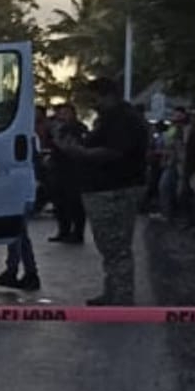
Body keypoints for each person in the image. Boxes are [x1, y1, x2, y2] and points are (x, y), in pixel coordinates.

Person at [54, 77, 148, 306]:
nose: (92, 104)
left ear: (107, 95)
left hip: (115, 190)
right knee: (110, 246)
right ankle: (114, 291)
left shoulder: (123, 119)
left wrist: (78, 152)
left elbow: (114, 153)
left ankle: (122, 296)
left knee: (116, 245)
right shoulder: (111, 118)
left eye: (94, 98)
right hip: (106, 189)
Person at [48, 102, 88, 243]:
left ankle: (77, 232)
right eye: (61, 113)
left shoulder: (77, 128)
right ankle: (63, 230)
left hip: (74, 169)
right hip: (59, 168)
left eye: (66, 113)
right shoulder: (58, 128)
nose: (62, 116)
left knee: (74, 202)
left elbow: (72, 146)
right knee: (60, 202)